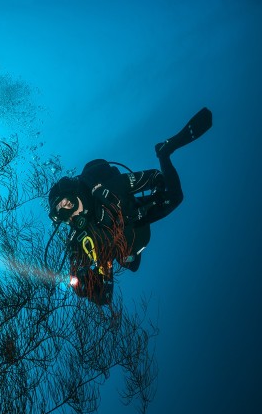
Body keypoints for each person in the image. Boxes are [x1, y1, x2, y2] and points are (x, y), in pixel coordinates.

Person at [47, 108, 212, 305]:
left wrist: (157, 192)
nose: (69, 214)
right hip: (122, 246)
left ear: (76, 194)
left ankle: (164, 152)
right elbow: (95, 290)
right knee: (131, 264)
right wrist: (87, 287)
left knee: (175, 198)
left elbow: (153, 177)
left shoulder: (107, 189)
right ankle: (127, 255)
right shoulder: (77, 240)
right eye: (62, 214)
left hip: (134, 216)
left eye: (68, 204)